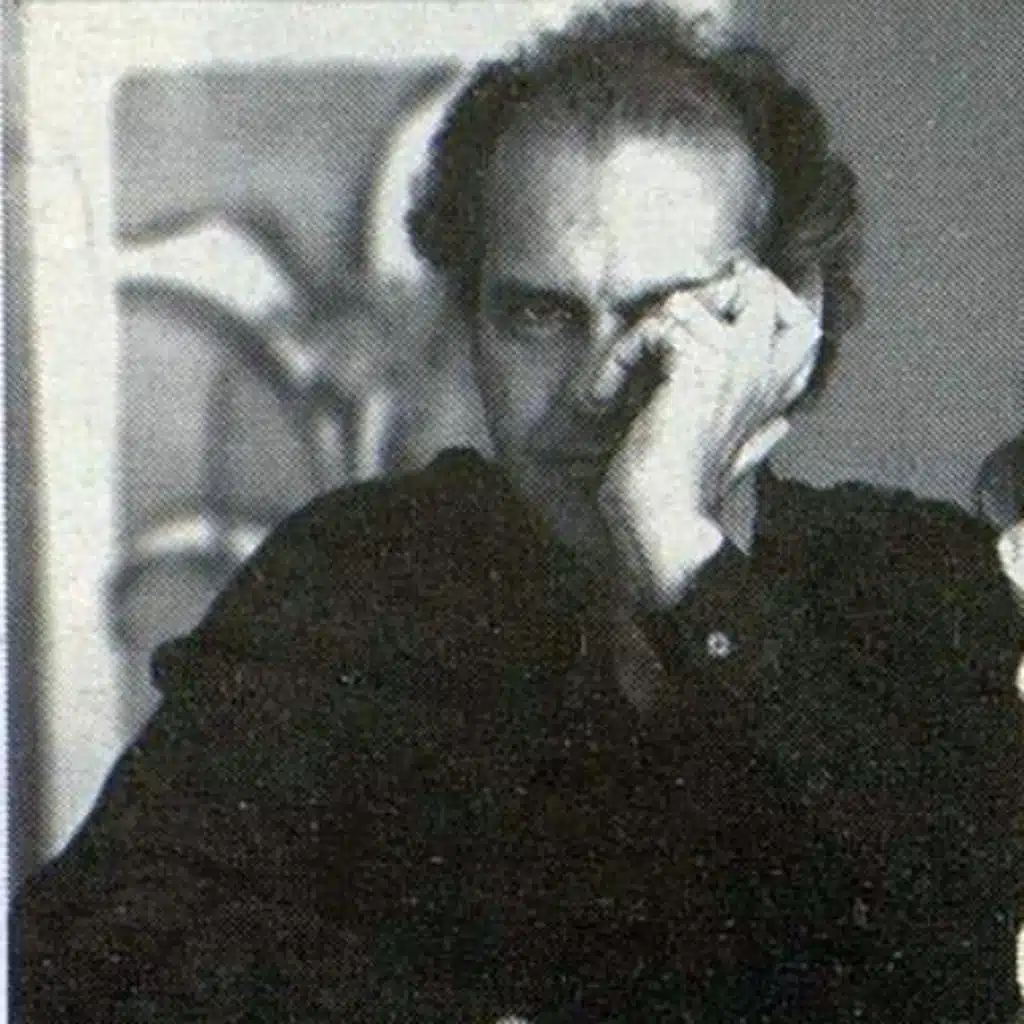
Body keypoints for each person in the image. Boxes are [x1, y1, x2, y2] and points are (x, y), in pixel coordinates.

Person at [13, 4, 1023, 1021]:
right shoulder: (359, 572)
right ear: (473, 322)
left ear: (787, 320)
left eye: (662, 314)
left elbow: (958, 969)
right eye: (539, 316)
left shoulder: (922, 581)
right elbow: (87, 945)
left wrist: (678, 551)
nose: (594, 386)